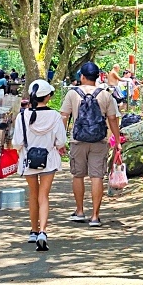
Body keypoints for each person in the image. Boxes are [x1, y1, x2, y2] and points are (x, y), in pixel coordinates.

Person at [60, 61, 122, 227]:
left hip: (78, 140)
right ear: (98, 77)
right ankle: (95, 216)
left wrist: (60, 139)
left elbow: (64, 116)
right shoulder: (106, 94)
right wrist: (117, 140)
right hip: (99, 140)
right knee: (97, 176)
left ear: (81, 76)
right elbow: (112, 119)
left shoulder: (73, 94)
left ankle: (80, 211)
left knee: (78, 175)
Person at [11, 80, 67, 252]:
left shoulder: (22, 116)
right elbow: (61, 141)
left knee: (33, 194)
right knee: (44, 196)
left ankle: (33, 231)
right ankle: (43, 231)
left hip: (28, 160)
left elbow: (17, 142)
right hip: (48, 159)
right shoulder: (55, 116)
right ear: (48, 96)